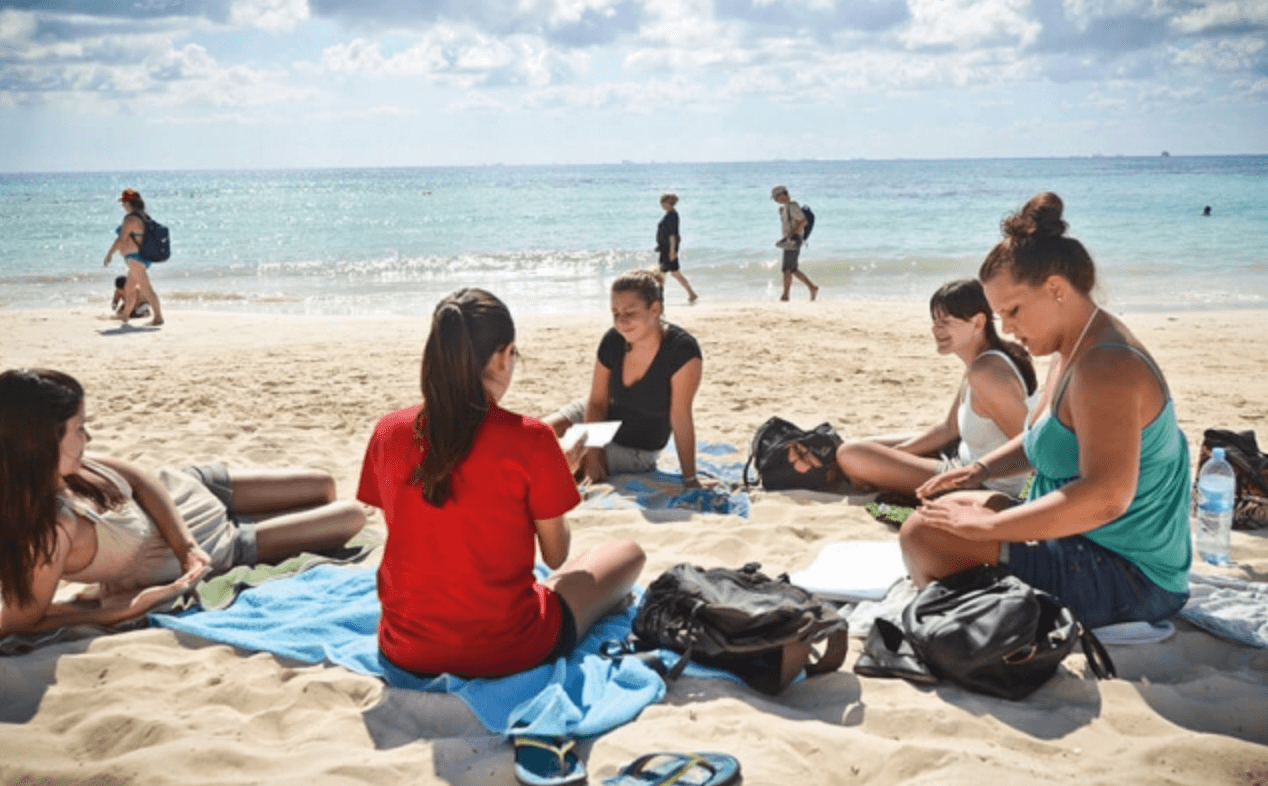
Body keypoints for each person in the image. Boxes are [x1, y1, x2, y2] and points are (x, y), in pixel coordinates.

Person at [900, 192, 1191, 629]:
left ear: (1056, 289)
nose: (1009, 329)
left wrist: (990, 530)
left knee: (923, 536)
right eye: (1000, 317)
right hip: (1081, 540)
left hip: (1130, 576)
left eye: (1013, 311)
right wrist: (979, 469)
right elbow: (1050, 439)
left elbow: (1107, 497)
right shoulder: (1072, 348)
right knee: (942, 510)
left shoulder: (1106, 364)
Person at [357, 288, 645, 678]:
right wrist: (559, 474)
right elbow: (555, 555)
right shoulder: (531, 439)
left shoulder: (388, 432)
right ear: (501, 356)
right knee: (628, 554)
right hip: (506, 649)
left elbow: (419, 527)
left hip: (405, 647)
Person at [0, 368, 367, 636]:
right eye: (79, 428)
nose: (89, 436)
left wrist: (186, 545)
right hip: (218, 543)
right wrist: (118, 611)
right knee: (350, 516)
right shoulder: (52, 527)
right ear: (41, 442)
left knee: (323, 485)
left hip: (188, 491)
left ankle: (249, 519)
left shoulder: (69, 467)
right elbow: (22, 622)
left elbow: (140, 479)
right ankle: (251, 525)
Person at [835, 279, 1038, 498]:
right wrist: (896, 455)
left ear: (979, 322)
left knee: (850, 453)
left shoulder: (985, 373)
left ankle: (871, 476)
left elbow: (1032, 446)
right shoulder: (980, 362)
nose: (937, 330)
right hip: (960, 453)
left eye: (946, 322)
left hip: (979, 483)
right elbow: (949, 428)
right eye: (935, 322)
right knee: (864, 446)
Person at [545, 269, 704, 489]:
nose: (621, 322)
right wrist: (594, 456)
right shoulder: (613, 340)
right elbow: (597, 401)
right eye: (615, 313)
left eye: (629, 313)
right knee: (534, 436)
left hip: (633, 445)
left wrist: (690, 479)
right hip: (600, 415)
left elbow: (680, 416)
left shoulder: (682, 351)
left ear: (655, 309)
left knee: (554, 462)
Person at [103, 189, 165, 326]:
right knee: (129, 288)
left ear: (128, 203)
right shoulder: (142, 216)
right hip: (139, 257)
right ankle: (125, 317)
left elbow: (121, 239)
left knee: (146, 288)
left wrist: (109, 254)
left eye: (123, 202)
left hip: (135, 258)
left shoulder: (130, 219)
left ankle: (158, 317)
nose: (122, 205)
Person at [771, 185, 818, 302]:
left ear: (785, 194)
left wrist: (793, 236)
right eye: (776, 197)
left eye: (780, 195)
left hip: (794, 240)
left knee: (787, 269)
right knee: (792, 269)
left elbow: (803, 221)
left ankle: (785, 296)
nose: (778, 198)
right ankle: (812, 287)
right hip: (790, 241)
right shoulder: (784, 208)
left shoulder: (793, 206)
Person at [656, 193, 698, 303]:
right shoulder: (670, 214)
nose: (661, 205)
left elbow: (672, 235)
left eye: (662, 202)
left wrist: (672, 251)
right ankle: (691, 294)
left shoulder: (672, 216)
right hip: (665, 248)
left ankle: (659, 298)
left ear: (667, 203)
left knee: (667, 273)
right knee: (671, 273)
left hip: (668, 249)